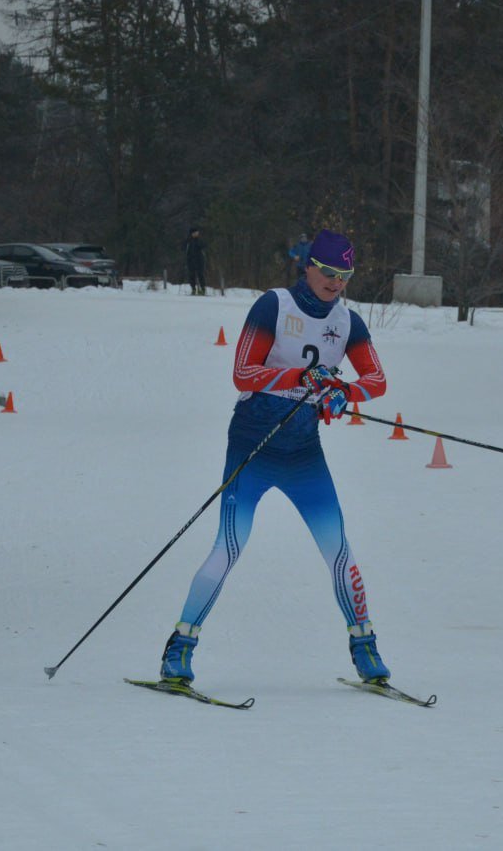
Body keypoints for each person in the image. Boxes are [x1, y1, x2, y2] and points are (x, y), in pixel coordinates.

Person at [159, 228, 394, 684]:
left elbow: (377, 381)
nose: (335, 282)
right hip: (252, 444)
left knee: (339, 550)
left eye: (344, 274)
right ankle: (180, 647)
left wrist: (343, 392)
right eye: (327, 271)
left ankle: (364, 644)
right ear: (307, 266)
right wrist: (304, 379)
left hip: (303, 452)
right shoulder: (274, 305)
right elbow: (243, 374)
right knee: (228, 547)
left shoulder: (348, 322)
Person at [184, 226, 207, 295]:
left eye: (197, 232)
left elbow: (204, 245)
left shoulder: (199, 240)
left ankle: (202, 289)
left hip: (200, 260)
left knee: (201, 275)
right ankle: (193, 289)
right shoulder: (188, 241)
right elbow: (184, 248)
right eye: (195, 233)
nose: (197, 234)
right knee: (191, 275)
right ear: (191, 233)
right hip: (190, 261)